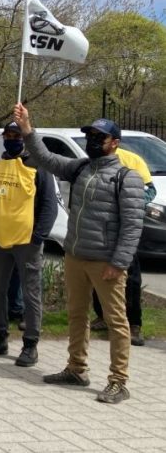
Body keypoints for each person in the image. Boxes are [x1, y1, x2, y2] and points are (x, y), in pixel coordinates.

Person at [13, 106, 143, 404]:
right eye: (90, 135)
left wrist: (119, 262)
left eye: (100, 136)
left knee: (116, 322)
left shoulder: (127, 177)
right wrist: (28, 129)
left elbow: (133, 226)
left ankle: (118, 381)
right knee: (76, 315)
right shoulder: (82, 168)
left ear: (115, 143)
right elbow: (46, 159)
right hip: (75, 256)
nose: (93, 140)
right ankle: (76, 369)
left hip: (106, 263)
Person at [0, 122, 57, 367]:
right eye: (8, 135)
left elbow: (49, 206)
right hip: (0, 238)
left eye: (16, 135)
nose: (11, 139)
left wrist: (37, 237)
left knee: (31, 293)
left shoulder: (38, 167)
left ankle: (30, 343)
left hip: (26, 241)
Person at [90, 146, 155, 347]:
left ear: (114, 141)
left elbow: (150, 190)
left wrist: (127, 203)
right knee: (97, 273)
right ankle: (102, 317)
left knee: (131, 278)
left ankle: (134, 324)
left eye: (102, 136)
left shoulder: (132, 159)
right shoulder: (94, 161)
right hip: (100, 229)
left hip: (125, 229)